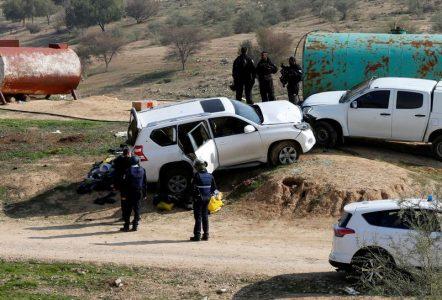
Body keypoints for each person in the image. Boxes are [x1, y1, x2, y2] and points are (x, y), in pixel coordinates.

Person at [190, 159, 217, 242]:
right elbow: (214, 188)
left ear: (197, 167)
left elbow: (191, 188)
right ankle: (206, 235)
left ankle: (197, 235)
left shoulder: (196, 176)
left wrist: (192, 197)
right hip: (207, 198)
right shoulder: (210, 175)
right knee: (205, 215)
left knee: (198, 217)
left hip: (198, 199)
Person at [120, 156, 147, 232]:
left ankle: (126, 226)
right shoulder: (143, 170)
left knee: (127, 210)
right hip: (139, 192)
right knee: (137, 209)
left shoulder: (127, 171)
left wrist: (123, 195)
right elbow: (144, 183)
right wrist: (145, 194)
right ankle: (135, 226)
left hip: (129, 193)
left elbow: (124, 185)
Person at [112, 147, 132, 219]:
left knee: (123, 200)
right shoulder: (131, 161)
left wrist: (115, 185)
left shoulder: (117, 161)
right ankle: (134, 216)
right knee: (131, 201)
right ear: (129, 153)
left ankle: (124, 216)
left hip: (122, 184)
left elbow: (115, 174)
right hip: (130, 184)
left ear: (123, 153)